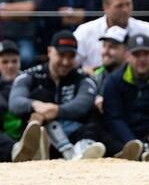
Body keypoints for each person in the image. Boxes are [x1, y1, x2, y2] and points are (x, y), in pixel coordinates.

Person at [8, 31, 106, 162]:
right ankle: (33, 148)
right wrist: (36, 105)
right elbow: (15, 102)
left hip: (74, 135)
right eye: (61, 55)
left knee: (95, 108)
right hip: (43, 134)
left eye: (71, 56)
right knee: (39, 96)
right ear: (50, 52)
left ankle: (82, 149)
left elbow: (83, 104)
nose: (65, 62)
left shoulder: (83, 78)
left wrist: (55, 111)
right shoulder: (30, 75)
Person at [74, 0, 149, 70]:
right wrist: (85, 72)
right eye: (119, 6)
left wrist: (143, 66)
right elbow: (70, 64)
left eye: (128, 4)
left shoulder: (145, 29)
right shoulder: (85, 31)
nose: (126, 10)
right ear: (105, 7)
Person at [0, 0, 36, 68]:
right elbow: (23, 13)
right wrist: (19, 13)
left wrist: (3, 8)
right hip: (3, 38)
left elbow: (29, 9)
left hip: (24, 38)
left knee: (26, 57)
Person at [91, 25, 128, 113]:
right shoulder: (96, 75)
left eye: (112, 47)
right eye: (104, 46)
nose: (106, 51)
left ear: (126, 51)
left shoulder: (133, 75)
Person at [0, 40, 22, 162]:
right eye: (5, 62)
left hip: (25, 134)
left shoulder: (31, 81)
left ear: (20, 62)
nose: (10, 66)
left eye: (14, 61)